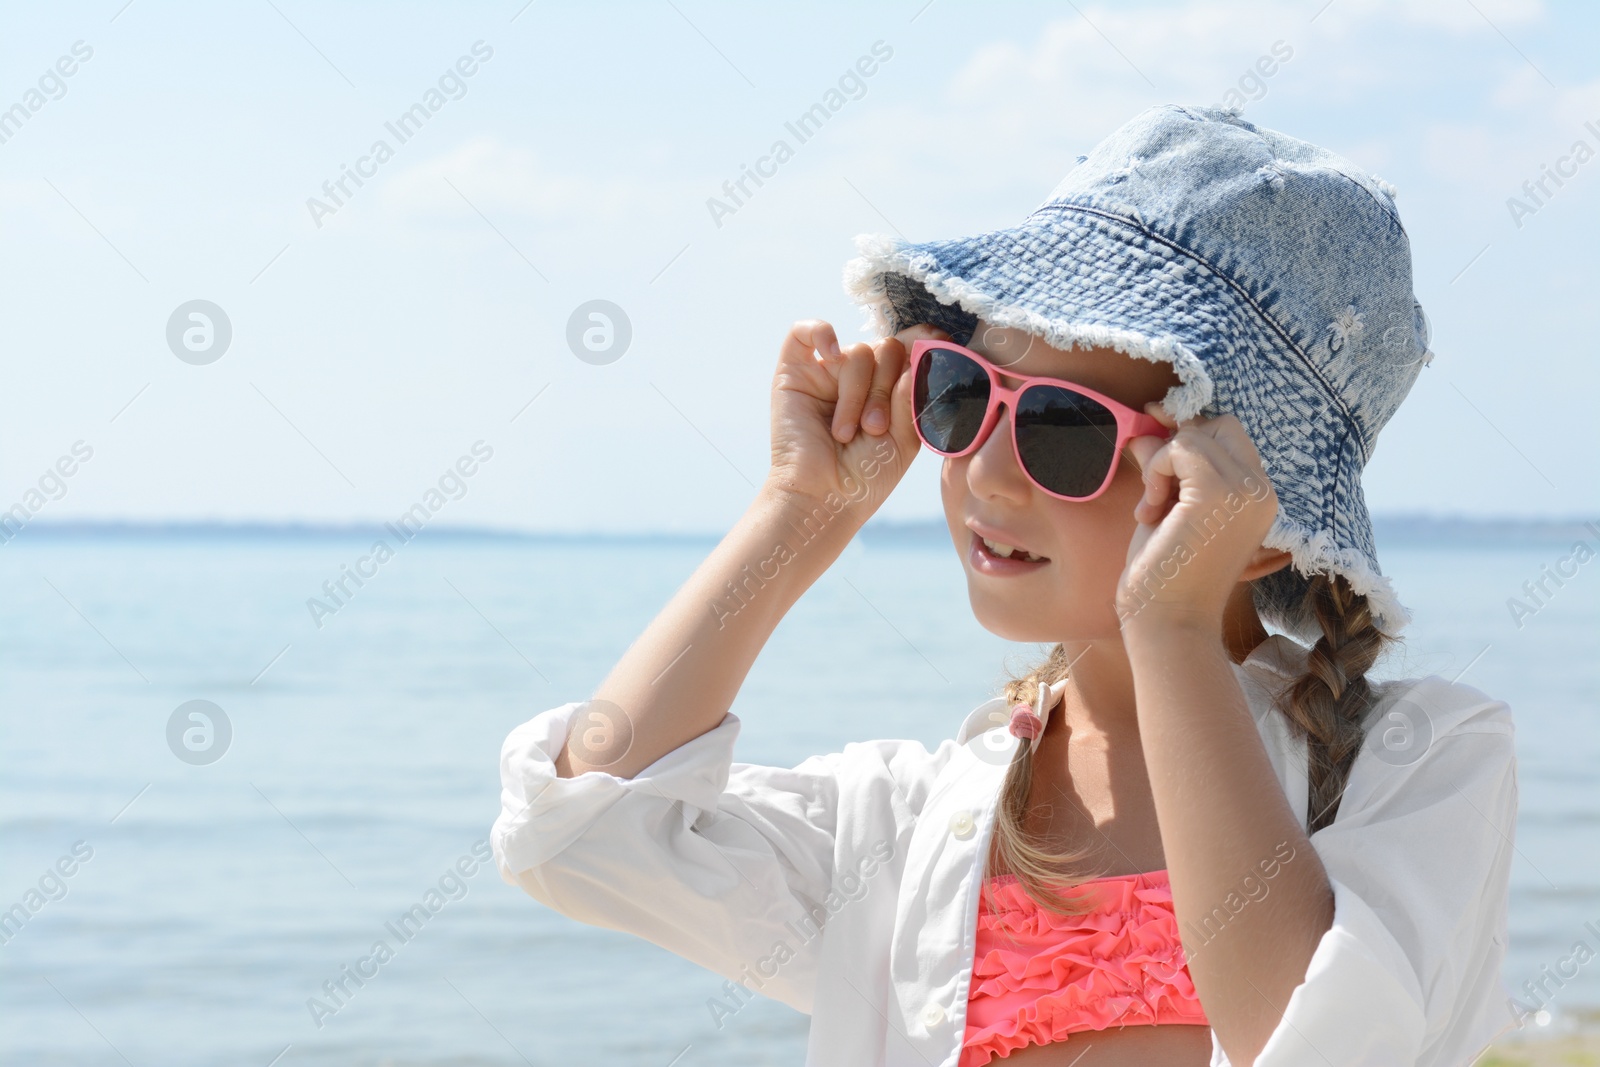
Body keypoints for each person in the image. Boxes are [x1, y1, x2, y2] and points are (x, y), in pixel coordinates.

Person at [490, 103, 1517, 1066]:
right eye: (960, 393)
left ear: (1257, 522)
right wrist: (797, 518)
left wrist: (1169, 631)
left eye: (1062, 428)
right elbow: (580, 832)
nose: (982, 470)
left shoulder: (1419, 762)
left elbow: (1315, 1039)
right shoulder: (907, 822)